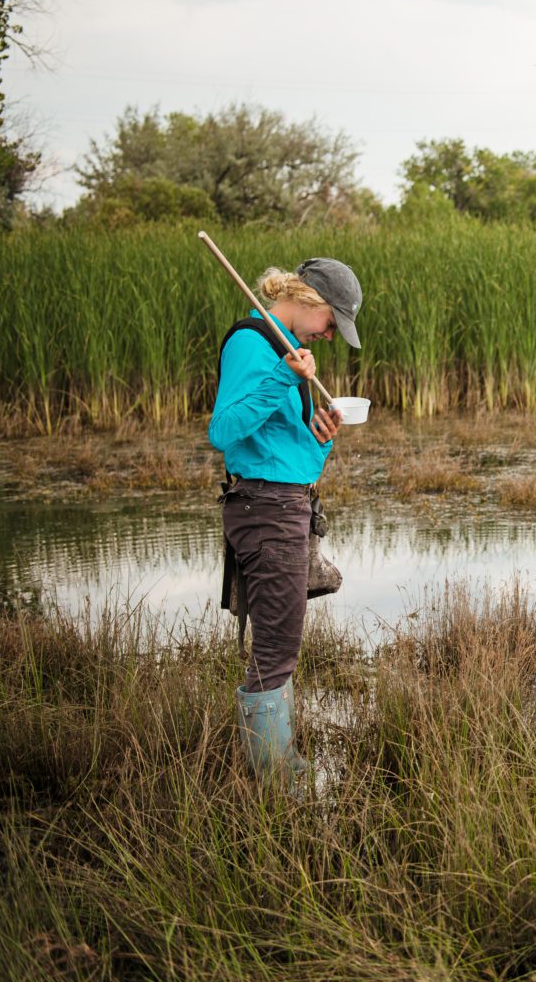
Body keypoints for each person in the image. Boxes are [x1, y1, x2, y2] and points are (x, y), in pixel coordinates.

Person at [209, 258, 363, 783]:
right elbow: (224, 431)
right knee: (276, 650)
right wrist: (283, 376)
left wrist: (319, 437)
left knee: (281, 643)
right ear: (311, 302)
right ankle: (275, 784)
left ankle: (282, 764)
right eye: (329, 323)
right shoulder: (254, 344)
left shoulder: (288, 355)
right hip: (265, 513)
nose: (329, 336)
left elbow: (287, 458)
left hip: (286, 506)